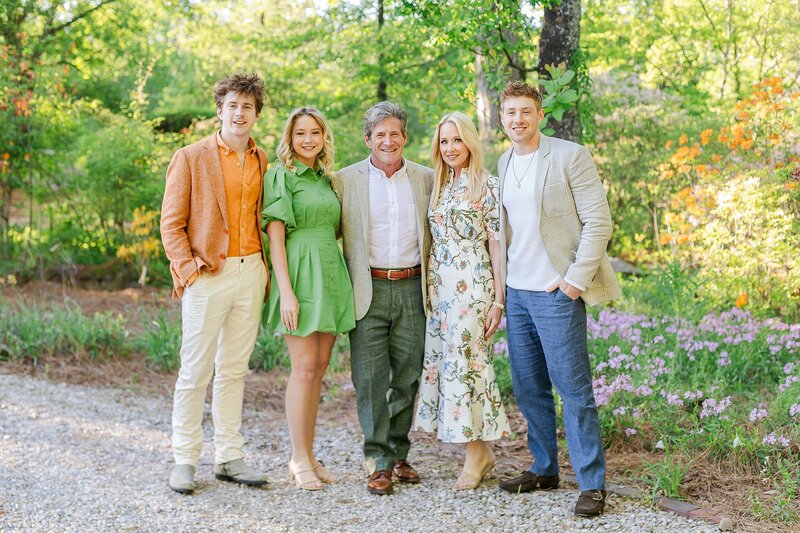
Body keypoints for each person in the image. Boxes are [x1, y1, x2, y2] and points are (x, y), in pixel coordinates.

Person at [495, 80, 622, 517]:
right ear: (502, 117)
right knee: (530, 389)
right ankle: (544, 467)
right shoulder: (503, 161)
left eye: (525, 111)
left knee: (574, 390)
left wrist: (573, 280)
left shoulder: (569, 155)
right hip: (517, 293)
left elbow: (598, 222)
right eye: (510, 112)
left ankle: (592, 483)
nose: (518, 119)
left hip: (556, 293)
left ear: (540, 114)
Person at [160, 73, 270, 495]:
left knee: (234, 370)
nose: (239, 113)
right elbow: (171, 224)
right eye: (232, 105)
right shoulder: (190, 157)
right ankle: (185, 459)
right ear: (219, 110)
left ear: (256, 114)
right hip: (207, 275)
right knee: (195, 371)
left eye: (247, 106)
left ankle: (229, 456)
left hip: (252, 271)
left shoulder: (263, 161)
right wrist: (188, 273)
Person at [333, 101, 434, 495]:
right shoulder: (345, 180)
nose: (388, 141)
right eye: (380, 135)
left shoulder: (426, 178)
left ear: (404, 137)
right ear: (368, 139)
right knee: (371, 379)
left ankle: (398, 452)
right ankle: (377, 460)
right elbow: (330, 235)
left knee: (407, 377)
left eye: (395, 133)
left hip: (413, 287)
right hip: (367, 289)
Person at [413, 112, 510, 490]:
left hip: (473, 285)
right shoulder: (440, 184)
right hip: (441, 288)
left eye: (456, 140)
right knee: (449, 364)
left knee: (467, 365)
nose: (451, 148)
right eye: (444, 142)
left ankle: (476, 455)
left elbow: (498, 244)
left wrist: (498, 300)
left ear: (470, 141)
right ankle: (479, 449)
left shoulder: (487, 185)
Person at [263, 107, 355, 491]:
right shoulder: (280, 176)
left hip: (329, 273)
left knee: (318, 369)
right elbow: (276, 237)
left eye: (314, 133)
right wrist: (286, 291)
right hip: (299, 274)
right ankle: (297, 457)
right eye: (300, 133)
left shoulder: (328, 180)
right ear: (290, 137)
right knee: (302, 369)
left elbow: (336, 231)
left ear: (323, 137)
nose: (308, 140)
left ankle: (310, 453)